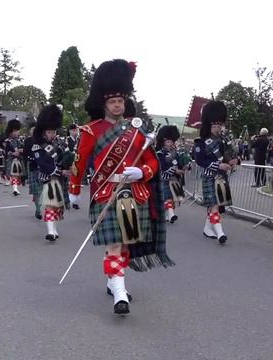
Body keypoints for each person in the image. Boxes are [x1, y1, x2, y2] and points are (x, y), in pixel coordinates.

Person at [69, 59, 173, 315]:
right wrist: (73, 190)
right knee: (115, 243)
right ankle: (119, 292)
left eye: (121, 100)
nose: (119, 105)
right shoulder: (91, 131)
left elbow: (152, 162)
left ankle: (114, 280)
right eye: (113, 101)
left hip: (135, 193)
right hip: (106, 192)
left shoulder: (137, 131)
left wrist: (142, 171)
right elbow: (79, 162)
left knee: (124, 244)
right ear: (103, 103)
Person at [193, 100, 238, 244]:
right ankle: (220, 233)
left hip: (221, 178)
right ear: (208, 125)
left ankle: (208, 228)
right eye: (215, 125)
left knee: (217, 206)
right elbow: (200, 160)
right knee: (213, 205)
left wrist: (234, 160)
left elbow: (227, 156)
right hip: (209, 177)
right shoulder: (201, 142)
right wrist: (217, 165)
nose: (218, 128)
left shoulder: (223, 141)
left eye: (219, 125)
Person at [33, 104, 74, 241]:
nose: (52, 134)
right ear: (44, 132)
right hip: (47, 178)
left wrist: (68, 166)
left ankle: (54, 229)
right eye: (49, 132)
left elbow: (67, 158)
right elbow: (42, 163)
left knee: (57, 206)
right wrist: (58, 171)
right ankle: (50, 231)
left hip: (60, 180)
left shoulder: (61, 144)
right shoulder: (38, 145)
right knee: (50, 204)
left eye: (54, 132)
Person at [156, 125, 184, 223]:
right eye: (168, 141)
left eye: (171, 141)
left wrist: (183, 166)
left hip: (173, 179)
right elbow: (162, 166)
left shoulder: (174, 153)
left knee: (173, 197)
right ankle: (171, 214)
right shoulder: (160, 153)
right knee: (167, 196)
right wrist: (174, 170)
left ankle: (167, 214)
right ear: (163, 142)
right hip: (164, 178)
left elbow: (178, 162)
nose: (170, 143)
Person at [3, 119, 24, 196]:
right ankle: (15, 189)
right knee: (15, 175)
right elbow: (6, 151)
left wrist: (20, 150)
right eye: (16, 130)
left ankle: (15, 188)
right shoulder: (8, 141)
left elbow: (22, 148)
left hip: (17, 160)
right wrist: (13, 153)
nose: (18, 132)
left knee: (16, 175)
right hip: (11, 160)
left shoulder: (17, 140)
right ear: (11, 131)